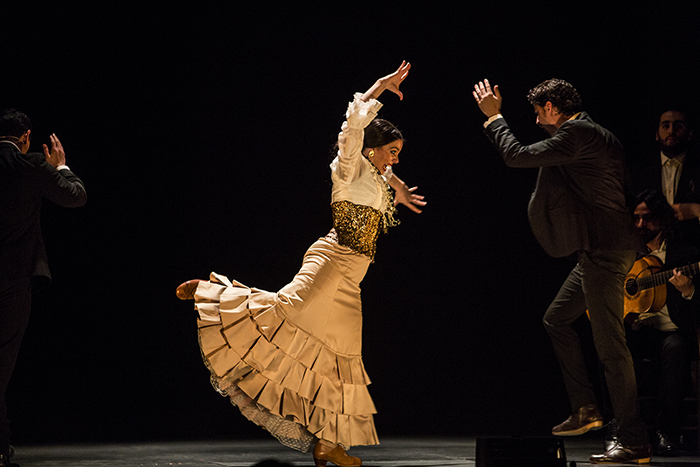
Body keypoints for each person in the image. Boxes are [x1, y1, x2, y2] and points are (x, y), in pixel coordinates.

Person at [176, 61, 425, 467]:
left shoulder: (377, 176)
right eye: (391, 153)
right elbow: (351, 130)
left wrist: (398, 189)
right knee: (284, 314)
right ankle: (211, 294)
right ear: (371, 149)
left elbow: (385, 182)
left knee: (339, 358)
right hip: (330, 263)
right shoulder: (349, 166)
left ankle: (328, 442)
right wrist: (378, 87)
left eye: (398, 155)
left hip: (352, 278)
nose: (393, 161)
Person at [472, 79, 651, 464]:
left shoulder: (578, 132)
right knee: (556, 319)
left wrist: (493, 118)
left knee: (610, 347)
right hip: (600, 250)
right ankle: (586, 409)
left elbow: (517, 155)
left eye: (539, 112)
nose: (537, 120)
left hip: (606, 251)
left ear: (552, 107)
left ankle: (633, 438)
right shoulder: (598, 135)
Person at [0, 109, 87, 467]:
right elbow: (76, 195)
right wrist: (61, 166)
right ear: (26, 137)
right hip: (12, 281)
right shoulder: (31, 165)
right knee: (2, 362)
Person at [621, 189, 700, 456]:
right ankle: (619, 430)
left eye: (648, 218)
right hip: (636, 327)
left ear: (663, 219)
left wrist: (689, 291)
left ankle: (666, 430)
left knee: (675, 347)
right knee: (609, 342)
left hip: (670, 330)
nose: (641, 224)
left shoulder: (686, 255)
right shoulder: (624, 253)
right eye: (636, 218)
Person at [631, 109, 700, 245]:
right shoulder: (639, 173)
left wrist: (695, 209)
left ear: (690, 133)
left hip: (692, 248)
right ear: (657, 134)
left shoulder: (696, 169)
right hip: (649, 253)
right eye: (665, 126)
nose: (671, 131)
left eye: (678, 126)